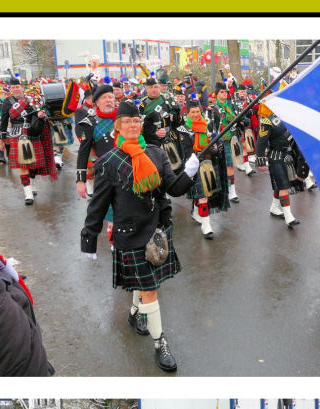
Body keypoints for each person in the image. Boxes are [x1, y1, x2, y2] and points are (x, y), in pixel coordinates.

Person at [80, 100, 199, 373]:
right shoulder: (108, 162)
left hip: (155, 228)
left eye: (136, 121)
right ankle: (160, 343)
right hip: (129, 233)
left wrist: (191, 168)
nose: (133, 125)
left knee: (145, 286)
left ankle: (135, 315)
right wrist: (89, 238)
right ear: (119, 126)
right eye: (127, 121)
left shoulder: (156, 154)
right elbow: (98, 204)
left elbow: (175, 188)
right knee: (148, 288)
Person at [0, 77, 58, 204]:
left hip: (32, 132)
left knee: (33, 166)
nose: (16, 89)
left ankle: (31, 183)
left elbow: (37, 113)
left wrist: (40, 115)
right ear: (11, 89)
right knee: (23, 165)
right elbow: (4, 120)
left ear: (22, 87)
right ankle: (28, 193)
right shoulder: (7, 102)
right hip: (17, 134)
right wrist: (1, 139)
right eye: (13, 87)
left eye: (17, 86)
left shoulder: (31, 100)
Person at [177, 97, 230, 239]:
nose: (195, 114)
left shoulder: (207, 125)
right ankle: (206, 225)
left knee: (206, 193)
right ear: (187, 113)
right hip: (194, 164)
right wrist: (204, 152)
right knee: (203, 194)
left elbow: (215, 139)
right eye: (192, 112)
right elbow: (186, 151)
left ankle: (196, 212)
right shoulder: (183, 129)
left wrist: (217, 147)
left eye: (197, 111)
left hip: (209, 163)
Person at [255, 99, 302, 228]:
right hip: (275, 157)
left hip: (288, 155)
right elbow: (261, 142)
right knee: (283, 187)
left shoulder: (287, 117)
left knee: (281, 184)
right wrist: (260, 160)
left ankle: (274, 207)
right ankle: (288, 217)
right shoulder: (267, 120)